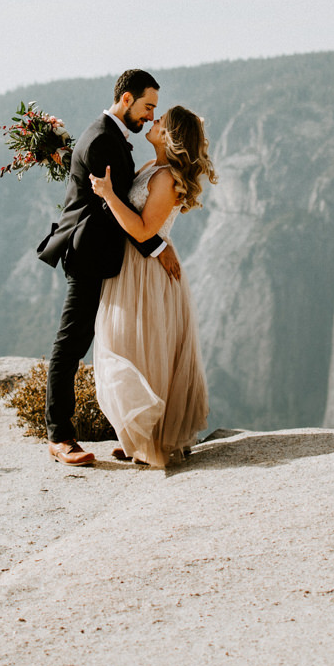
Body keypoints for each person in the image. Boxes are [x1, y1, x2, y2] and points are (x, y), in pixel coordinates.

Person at [35, 69, 178, 466]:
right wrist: (157, 245)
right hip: (90, 255)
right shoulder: (102, 138)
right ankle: (59, 436)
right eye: (148, 106)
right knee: (71, 344)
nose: (151, 116)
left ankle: (133, 435)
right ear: (127, 99)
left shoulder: (108, 135)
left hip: (108, 256)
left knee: (122, 343)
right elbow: (114, 208)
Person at [87, 104, 213, 468]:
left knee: (143, 350)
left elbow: (144, 229)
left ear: (170, 135)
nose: (153, 123)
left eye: (160, 121)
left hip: (147, 275)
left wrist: (109, 195)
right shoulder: (153, 168)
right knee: (129, 347)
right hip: (135, 267)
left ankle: (152, 442)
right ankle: (138, 436)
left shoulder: (165, 177)